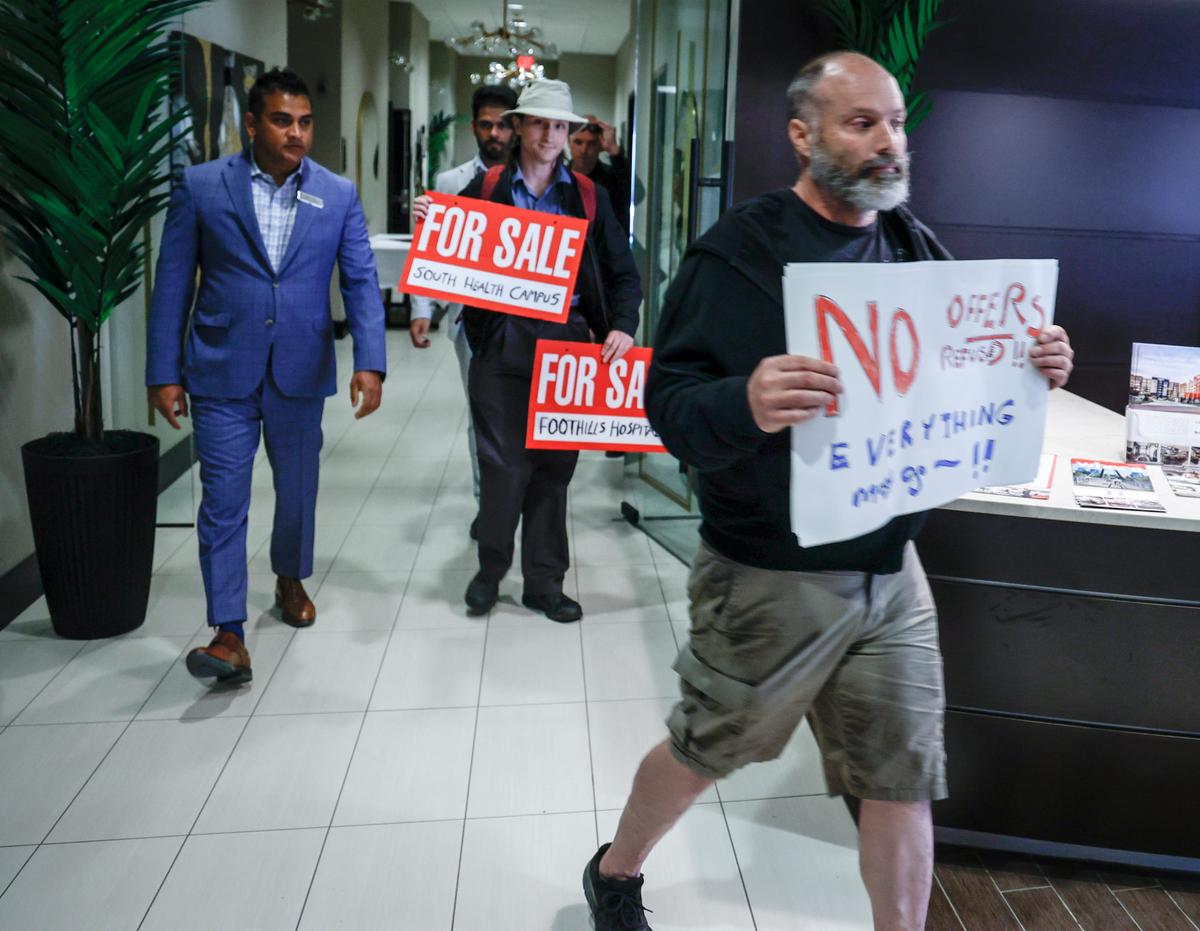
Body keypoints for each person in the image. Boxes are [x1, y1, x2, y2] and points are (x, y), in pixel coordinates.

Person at [581, 52, 1074, 930]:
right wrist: (746, 399)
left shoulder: (915, 246)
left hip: (894, 572)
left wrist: (1035, 365)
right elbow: (670, 405)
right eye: (863, 123)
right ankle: (617, 872)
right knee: (708, 746)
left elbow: (961, 371)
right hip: (770, 575)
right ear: (802, 135)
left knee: (903, 771)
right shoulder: (738, 254)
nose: (891, 142)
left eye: (896, 122)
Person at [147, 68, 386, 686]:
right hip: (221, 368)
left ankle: (288, 575)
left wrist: (369, 361)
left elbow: (360, 279)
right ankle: (228, 631)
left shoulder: (337, 194)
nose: (297, 133)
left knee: (297, 492)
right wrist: (162, 371)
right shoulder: (202, 186)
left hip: (301, 369)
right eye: (282, 120)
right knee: (223, 503)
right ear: (252, 124)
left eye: (305, 121)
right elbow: (173, 281)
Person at [415, 79, 642, 622]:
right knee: (501, 469)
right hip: (500, 346)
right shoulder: (488, 187)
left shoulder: (588, 196)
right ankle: (490, 571)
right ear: (519, 126)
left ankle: (545, 583)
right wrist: (432, 221)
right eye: (539, 123)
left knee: (554, 471)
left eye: (559, 126)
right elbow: (452, 250)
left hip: (566, 348)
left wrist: (625, 326)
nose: (549, 135)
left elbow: (622, 273)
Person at [408, 84, 518, 538]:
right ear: (474, 127)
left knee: (524, 421)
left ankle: (521, 503)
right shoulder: (453, 182)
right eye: (486, 124)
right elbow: (433, 252)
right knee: (482, 420)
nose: (495, 133)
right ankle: (488, 507)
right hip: (470, 323)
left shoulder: (534, 178)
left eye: (503, 124)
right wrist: (421, 307)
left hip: (527, 323)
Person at [568, 116, 632, 236]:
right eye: (578, 142)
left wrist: (614, 151)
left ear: (600, 146)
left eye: (591, 144)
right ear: (569, 143)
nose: (584, 150)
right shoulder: (557, 178)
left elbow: (634, 194)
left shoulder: (612, 179)